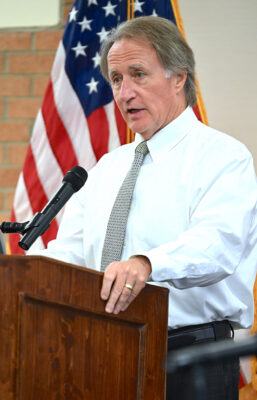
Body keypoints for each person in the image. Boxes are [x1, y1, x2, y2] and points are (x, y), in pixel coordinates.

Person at [29, 16, 257, 399]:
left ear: (179, 77)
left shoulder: (223, 157)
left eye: (138, 74)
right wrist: (25, 274)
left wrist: (146, 264)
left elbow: (217, 244)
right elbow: (70, 258)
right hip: (103, 352)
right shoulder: (106, 168)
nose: (124, 93)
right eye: (116, 79)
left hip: (190, 358)